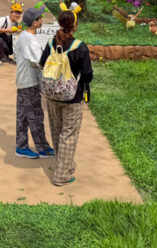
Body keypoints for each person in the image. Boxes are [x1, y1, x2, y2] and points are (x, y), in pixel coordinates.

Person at [39, 9, 94, 186]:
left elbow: (42, 64)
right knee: (69, 134)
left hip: (52, 95)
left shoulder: (50, 43)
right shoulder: (79, 46)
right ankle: (61, 175)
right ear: (75, 25)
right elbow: (87, 74)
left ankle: (64, 164)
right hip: (72, 97)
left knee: (57, 130)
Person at [14, 5, 54, 159]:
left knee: (23, 115)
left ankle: (21, 146)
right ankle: (42, 148)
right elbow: (38, 60)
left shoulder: (24, 36)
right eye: (40, 18)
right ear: (35, 22)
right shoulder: (29, 39)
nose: (42, 20)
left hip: (23, 81)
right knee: (35, 115)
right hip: (29, 83)